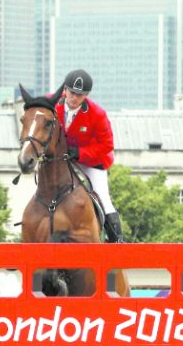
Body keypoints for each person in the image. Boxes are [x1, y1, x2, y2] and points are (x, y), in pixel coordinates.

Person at [55, 69, 125, 243]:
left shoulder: (97, 114)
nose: (74, 98)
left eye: (79, 95)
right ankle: (27, 237)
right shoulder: (53, 105)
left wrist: (80, 153)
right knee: (39, 190)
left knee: (103, 197)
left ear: (86, 95)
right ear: (65, 89)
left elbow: (107, 145)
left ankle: (117, 241)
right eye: (71, 92)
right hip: (61, 159)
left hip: (91, 162)